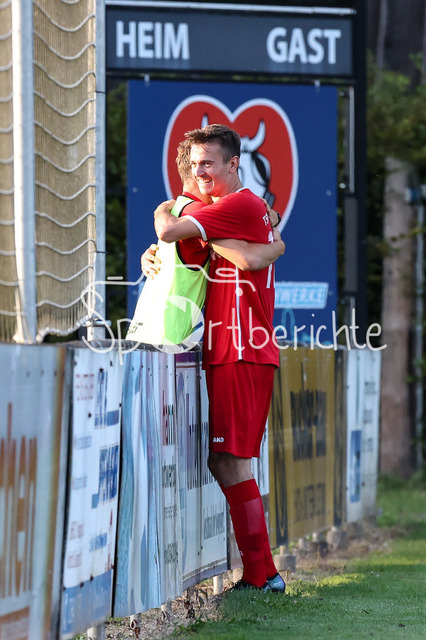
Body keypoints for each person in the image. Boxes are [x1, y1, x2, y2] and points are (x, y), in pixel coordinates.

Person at [153, 124, 286, 593]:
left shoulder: (238, 205)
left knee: (230, 462)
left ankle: (261, 576)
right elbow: (179, 251)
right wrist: (156, 254)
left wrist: (163, 211)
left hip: (242, 349)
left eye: (208, 163)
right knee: (225, 461)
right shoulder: (235, 210)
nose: (199, 172)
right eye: (194, 164)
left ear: (234, 164)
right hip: (232, 349)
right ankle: (264, 573)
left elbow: (169, 228)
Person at [130, 139, 284, 349]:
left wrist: (272, 217)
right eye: (201, 165)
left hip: (144, 330)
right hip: (168, 338)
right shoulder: (198, 214)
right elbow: (248, 259)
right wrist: (277, 246)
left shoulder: (178, 211)